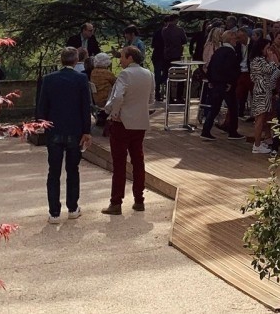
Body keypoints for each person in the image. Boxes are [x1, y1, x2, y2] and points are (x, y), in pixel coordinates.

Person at [36, 47, 92, 223]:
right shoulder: (81, 78)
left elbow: (42, 104)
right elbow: (85, 107)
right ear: (76, 60)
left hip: (54, 130)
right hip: (75, 130)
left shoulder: (48, 79)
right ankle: (73, 207)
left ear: (61, 60)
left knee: (53, 172)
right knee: (72, 170)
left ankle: (54, 212)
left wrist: (41, 125)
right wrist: (87, 131)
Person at [100, 45, 152, 214]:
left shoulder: (125, 74)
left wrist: (115, 113)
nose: (120, 60)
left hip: (122, 123)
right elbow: (151, 98)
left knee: (119, 163)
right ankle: (139, 200)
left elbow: (117, 96)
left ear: (130, 58)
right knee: (138, 161)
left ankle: (116, 202)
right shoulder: (148, 74)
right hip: (141, 123)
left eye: (122, 56)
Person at [200, 31, 242, 140]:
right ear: (230, 39)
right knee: (233, 108)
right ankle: (233, 131)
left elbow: (211, 66)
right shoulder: (230, 52)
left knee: (215, 108)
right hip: (225, 84)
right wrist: (230, 82)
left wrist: (210, 80)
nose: (236, 41)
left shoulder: (218, 51)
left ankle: (206, 130)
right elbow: (230, 69)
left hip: (216, 83)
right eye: (235, 39)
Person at [247, 38, 279, 154]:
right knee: (260, 119)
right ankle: (257, 144)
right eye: (267, 48)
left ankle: (258, 143)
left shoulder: (255, 60)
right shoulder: (259, 60)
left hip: (262, 90)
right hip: (262, 91)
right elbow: (269, 70)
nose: (269, 50)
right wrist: (272, 60)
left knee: (261, 118)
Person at [153, 14, 187, 103]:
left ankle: (169, 97)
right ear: (175, 20)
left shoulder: (164, 30)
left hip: (167, 56)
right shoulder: (180, 30)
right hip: (177, 55)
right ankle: (179, 96)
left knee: (167, 76)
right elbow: (184, 41)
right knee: (180, 76)